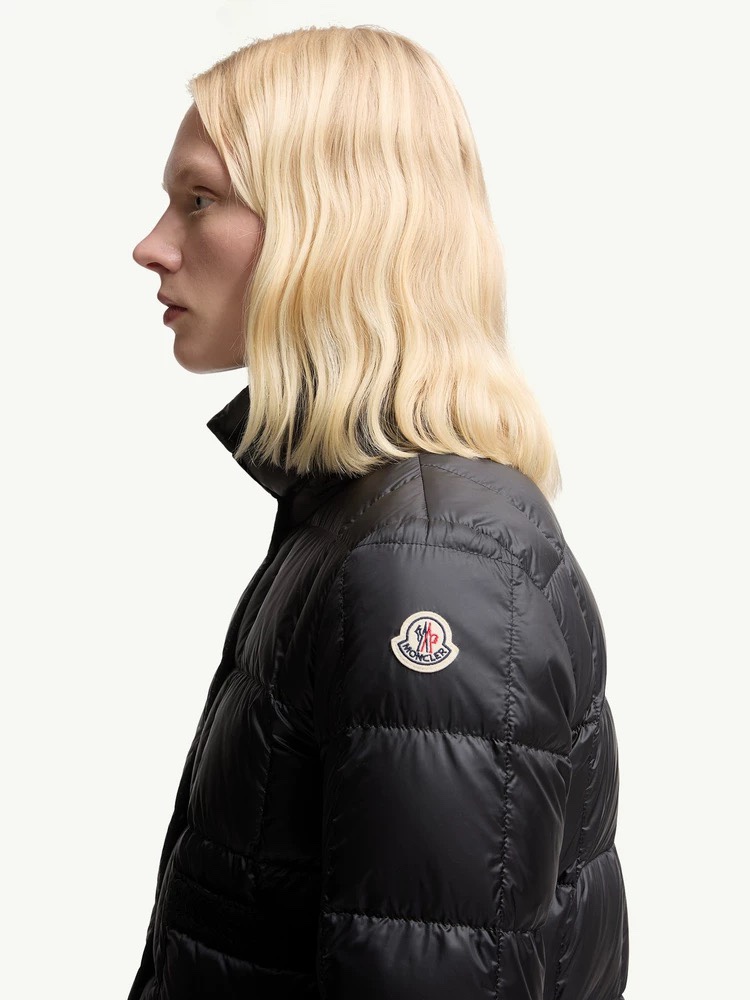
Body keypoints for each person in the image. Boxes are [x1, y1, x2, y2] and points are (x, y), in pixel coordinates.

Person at [128, 24, 628, 1000]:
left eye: (200, 199)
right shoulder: (367, 518)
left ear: (332, 226)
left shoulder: (429, 558)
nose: (151, 245)